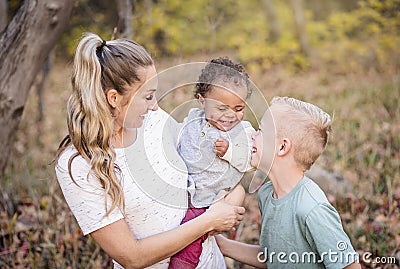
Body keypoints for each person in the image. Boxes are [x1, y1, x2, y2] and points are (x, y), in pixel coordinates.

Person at [55, 32, 245, 269]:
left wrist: (231, 199)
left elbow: (210, 167)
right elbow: (132, 257)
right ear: (114, 98)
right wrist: (208, 221)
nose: (155, 105)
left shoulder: (153, 121)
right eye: (147, 97)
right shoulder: (79, 164)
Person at [216, 97, 361, 268]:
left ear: (282, 147)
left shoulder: (312, 210)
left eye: (261, 130)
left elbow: (350, 266)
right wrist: (222, 245)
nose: (253, 135)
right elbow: (276, 258)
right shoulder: (267, 194)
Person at [168, 57, 255, 269]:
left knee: (191, 234)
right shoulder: (193, 119)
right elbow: (178, 135)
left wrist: (230, 151)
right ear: (201, 101)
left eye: (238, 108)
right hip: (184, 189)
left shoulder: (242, 132)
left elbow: (250, 160)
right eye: (222, 108)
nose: (230, 115)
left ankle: (183, 264)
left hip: (210, 197)